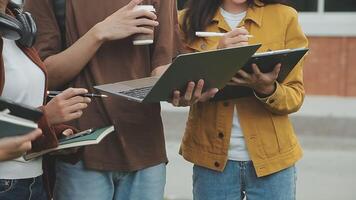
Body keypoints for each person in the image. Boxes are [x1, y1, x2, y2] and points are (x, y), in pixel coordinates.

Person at [24, 0, 179, 199]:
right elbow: (45, 75)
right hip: (80, 152)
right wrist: (100, 33)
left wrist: (183, 89)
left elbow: (164, 65)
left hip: (145, 148)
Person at [175, 0, 309, 199]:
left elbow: (295, 96)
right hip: (211, 162)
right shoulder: (185, 20)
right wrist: (217, 57)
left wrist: (267, 89)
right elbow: (175, 90)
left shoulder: (285, 17)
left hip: (274, 162)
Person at [0, 0, 91, 199]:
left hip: (34, 180)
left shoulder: (16, 27)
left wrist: (55, 133)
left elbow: (18, 104)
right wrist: (45, 117)